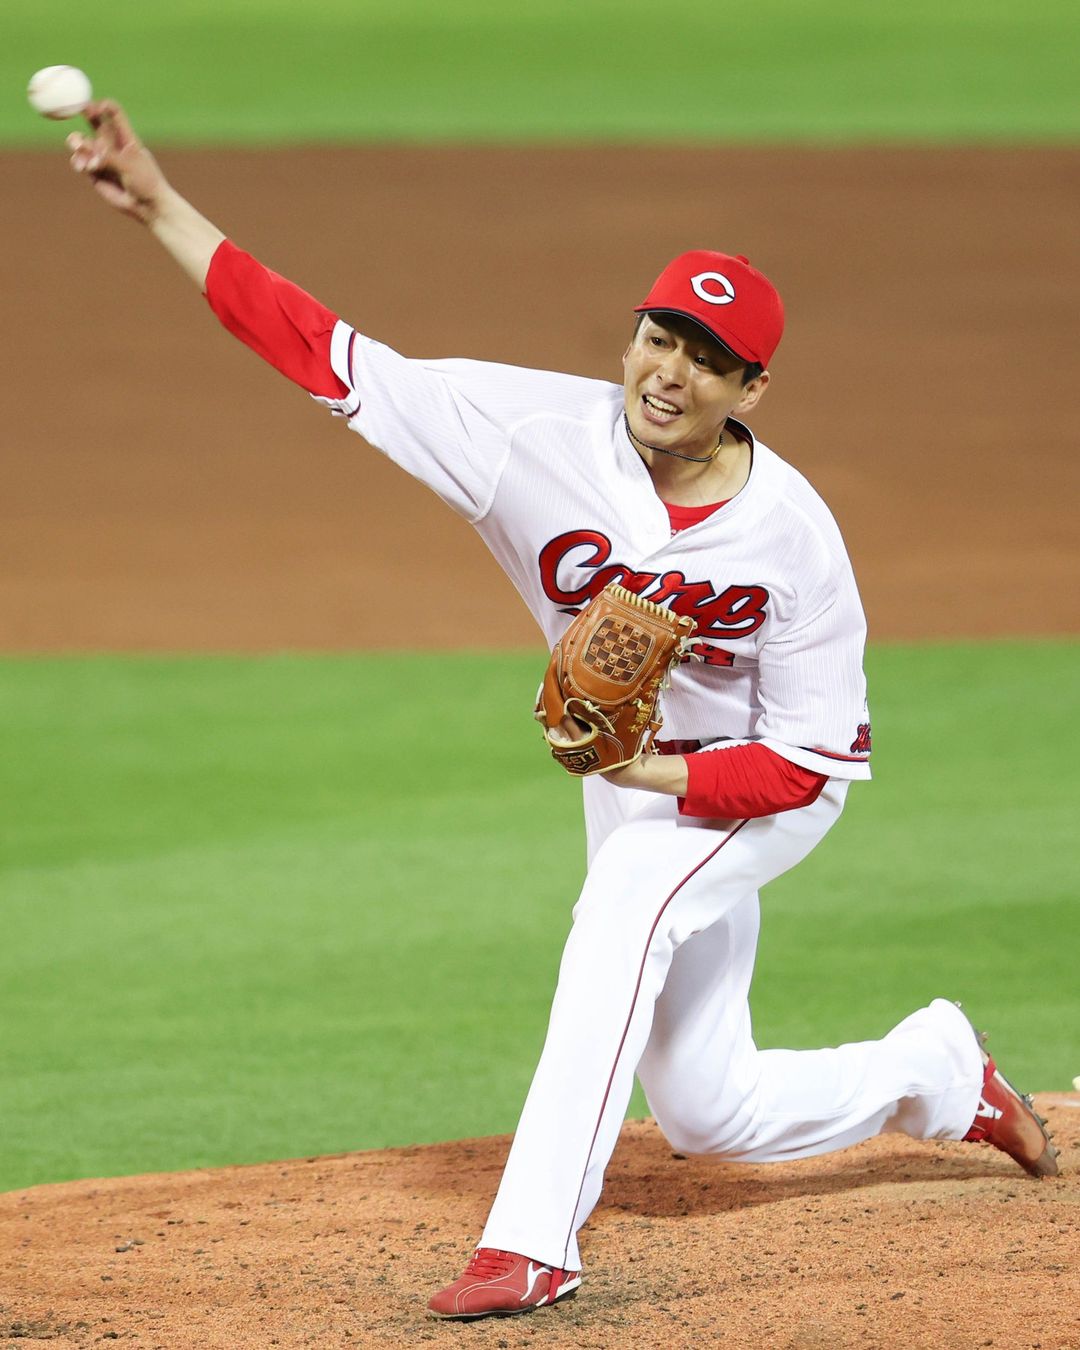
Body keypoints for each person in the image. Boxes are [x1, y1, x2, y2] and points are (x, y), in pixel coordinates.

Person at [65, 101, 1058, 1323]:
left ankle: (534, 1242)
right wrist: (161, 206)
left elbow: (807, 766)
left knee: (626, 904)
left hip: (752, 785)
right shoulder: (526, 432)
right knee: (711, 1111)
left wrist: (648, 778)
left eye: (706, 359)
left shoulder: (796, 540)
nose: (669, 371)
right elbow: (324, 351)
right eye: (658, 337)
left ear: (752, 387)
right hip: (629, 777)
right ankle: (939, 1074)